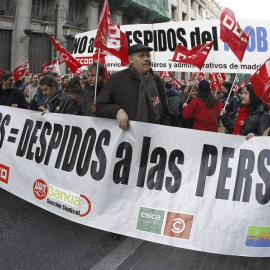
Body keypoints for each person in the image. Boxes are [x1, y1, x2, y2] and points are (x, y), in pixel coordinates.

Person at [96, 44, 170, 130]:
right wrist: (117, 111)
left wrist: (162, 130)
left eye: (148, 56)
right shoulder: (116, 79)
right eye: (141, 56)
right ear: (131, 60)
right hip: (126, 137)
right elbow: (99, 106)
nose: (146, 59)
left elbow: (165, 113)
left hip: (153, 136)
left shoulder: (156, 80)